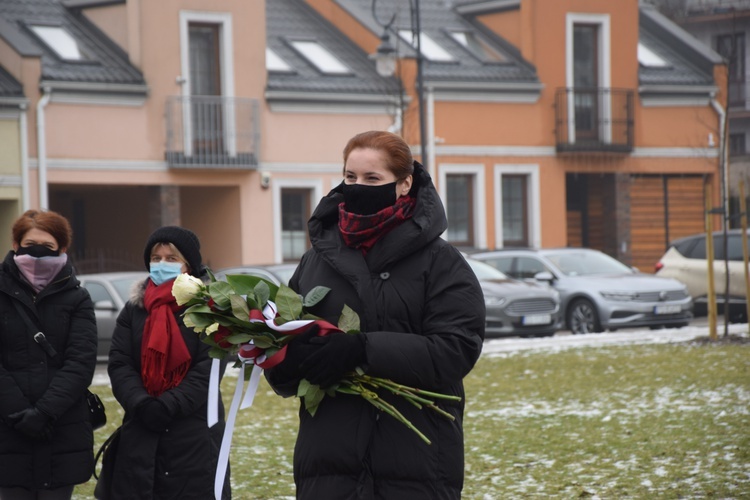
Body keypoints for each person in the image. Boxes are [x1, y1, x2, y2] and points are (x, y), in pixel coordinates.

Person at [266, 130, 486, 499]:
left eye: (372, 179)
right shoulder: (316, 260)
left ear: (404, 184)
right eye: (350, 177)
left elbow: (456, 348)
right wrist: (289, 359)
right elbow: (285, 338)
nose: (357, 187)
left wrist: (363, 350)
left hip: (415, 462)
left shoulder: (440, 261)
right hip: (329, 465)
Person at [102, 226, 230, 499]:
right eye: (156, 258)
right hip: (141, 428)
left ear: (189, 266)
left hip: (194, 434)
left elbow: (209, 367)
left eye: (171, 258)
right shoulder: (135, 308)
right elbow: (120, 362)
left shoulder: (209, 308)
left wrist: (168, 405)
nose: (162, 264)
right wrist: (142, 403)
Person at [0, 209, 98, 500]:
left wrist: (43, 413)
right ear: (16, 246)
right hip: (8, 427)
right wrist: (18, 412)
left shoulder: (78, 298)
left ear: (62, 249)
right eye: (30, 246)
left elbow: (81, 362)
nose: (38, 254)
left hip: (61, 427)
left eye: (48, 247)